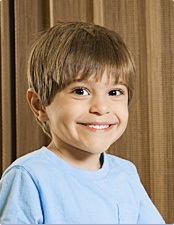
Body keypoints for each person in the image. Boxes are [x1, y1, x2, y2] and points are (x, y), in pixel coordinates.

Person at [0, 21, 165, 224]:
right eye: (81, 91)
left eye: (115, 92)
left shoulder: (126, 173)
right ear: (40, 105)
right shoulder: (28, 177)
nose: (101, 107)